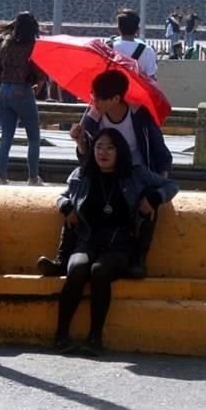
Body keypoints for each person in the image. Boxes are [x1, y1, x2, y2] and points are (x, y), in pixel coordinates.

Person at [53, 128, 178, 356]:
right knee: (79, 268)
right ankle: (61, 335)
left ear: (120, 151)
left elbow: (171, 186)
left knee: (100, 272)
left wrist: (154, 198)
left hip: (120, 244)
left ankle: (95, 337)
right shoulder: (83, 174)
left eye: (110, 147)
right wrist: (66, 206)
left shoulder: (135, 174)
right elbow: (61, 195)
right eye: (99, 146)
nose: (103, 152)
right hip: (88, 240)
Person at [38, 69, 173, 278]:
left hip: (133, 177)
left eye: (100, 98)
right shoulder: (93, 116)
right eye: (93, 96)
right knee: (77, 201)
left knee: (145, 210)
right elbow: (85, 159)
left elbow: (161, 153)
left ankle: (138, 260)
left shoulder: (139, 115)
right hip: (102, 175)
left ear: (116, 99)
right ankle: (63, 259)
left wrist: (157, 190)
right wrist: (81, 141)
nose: (95, 102)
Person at [0, 12, 46, 186]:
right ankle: (33, 177)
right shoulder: (33, 46)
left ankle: (2, 178)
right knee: (34, 137)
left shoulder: (5, 44)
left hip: (4, 90)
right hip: (22, 90)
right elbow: (41, 75)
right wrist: (36, 89)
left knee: (6, 136)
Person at [110, 9, 157, 80]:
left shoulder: (108, 48)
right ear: (137, 29)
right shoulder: (147, 50)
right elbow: (151, 78)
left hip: (111, 90)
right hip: (136, 90)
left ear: (118, 29)